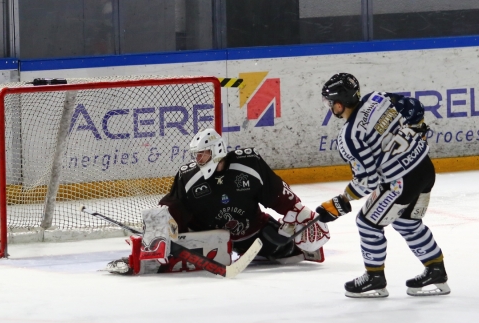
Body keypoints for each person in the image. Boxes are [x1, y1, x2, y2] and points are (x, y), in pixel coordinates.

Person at [315, 73, 450, 298]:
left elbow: (368, 180)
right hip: (425, 168)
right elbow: (414, 106)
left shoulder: (350, 137)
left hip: (401, 182)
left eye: (330, 103)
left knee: (367, 223)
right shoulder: (377, 98)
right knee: (407, 222)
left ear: (339, 104)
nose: (329, 107)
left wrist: (341, 201)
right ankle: (436, 270)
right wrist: (417, 128)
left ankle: (374, 278)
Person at [159, 128, 330, 265]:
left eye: (203, 153)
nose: (198, 159)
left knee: (283, 246)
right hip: (209, 238)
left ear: (217, 150)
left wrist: (296, 210)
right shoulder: (188, 177)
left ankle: (270, 246)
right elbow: (173, 207)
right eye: (196, 154)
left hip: (251, 232)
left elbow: (275, 191)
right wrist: (162, 227)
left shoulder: (249, 164)